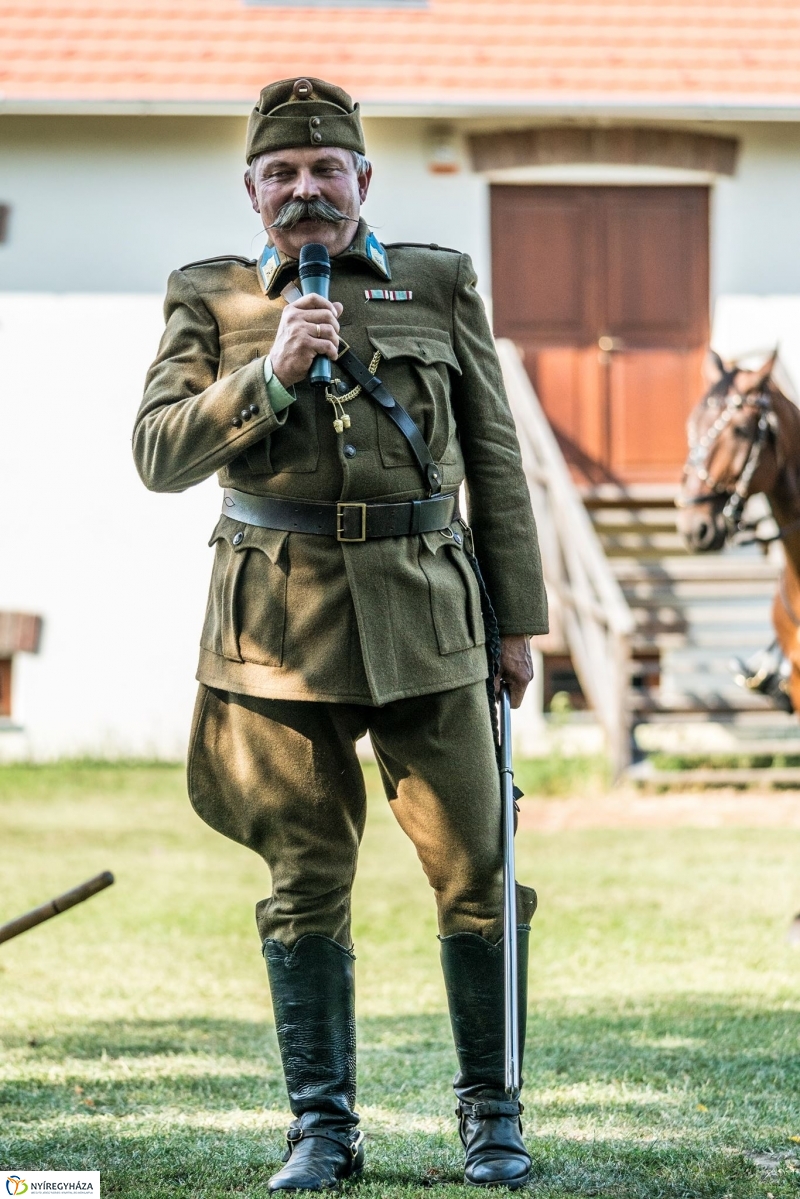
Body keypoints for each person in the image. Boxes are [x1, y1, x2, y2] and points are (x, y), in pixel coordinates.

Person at [133, 76, 548, 1193]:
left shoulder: (437, 281)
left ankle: (491, 1119)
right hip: (276, 628)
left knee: (477, 869)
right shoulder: (210, 299)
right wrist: (266, 375)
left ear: (363, 179)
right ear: (253, 191)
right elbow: (158, 452)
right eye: (282, 174)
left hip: (431, 615)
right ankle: (322, 1128)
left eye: (326, 171)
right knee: (305, 880)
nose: (305, 190)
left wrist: (518, 619)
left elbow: (494, 458)